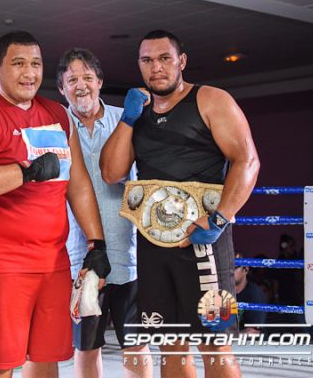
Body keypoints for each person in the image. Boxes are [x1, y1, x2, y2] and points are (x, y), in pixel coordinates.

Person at [0, 31, 111, 378]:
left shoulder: (57, 114)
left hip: (52, 261)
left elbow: (78, 183)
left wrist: (96, 242)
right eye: (18, 63)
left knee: (46, 356)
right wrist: (25, 173)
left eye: (35, 64)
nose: (29, 73)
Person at [100, 29, 260, 378]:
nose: (156, 67)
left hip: (203, 241)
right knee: (169, 343)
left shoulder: (210, 99)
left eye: (164, 58)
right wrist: (127, 120)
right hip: (154, 244)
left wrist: (220, 219)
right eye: (147, 60)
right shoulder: (138, 113)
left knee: (214, 345)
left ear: (181, 61)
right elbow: (111, 173)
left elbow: (247, 161)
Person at [56, 48, 151, 378]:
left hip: (129, 254)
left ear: (99, 82)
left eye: (87, 77)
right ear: (62, 89)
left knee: (136, 345)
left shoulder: (127, 120)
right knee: (86, 346)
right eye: (72, 80)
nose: (81, 86)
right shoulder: (55, 128)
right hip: (79, 257)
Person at [234, 253, 266, 333]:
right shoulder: (223, 293)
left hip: (250, 341)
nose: (230, 271)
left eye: (235, 267)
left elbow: (253, 332)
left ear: (245, 270)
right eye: (228, 268)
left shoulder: (254, 293)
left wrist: (228, 337)